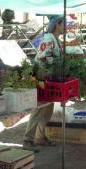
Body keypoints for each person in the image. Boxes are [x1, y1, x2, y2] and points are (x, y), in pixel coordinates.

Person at [23, 15, 64, 152]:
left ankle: (40, 137)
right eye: (64, 23)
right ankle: (28, 140)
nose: (66, 26)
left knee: (48, 108)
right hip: (40, 76)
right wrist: (59, 63)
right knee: (39, 107)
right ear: (58, 24)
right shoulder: (48, 38)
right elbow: (45, 57)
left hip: (48, 76)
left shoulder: (55, 38)